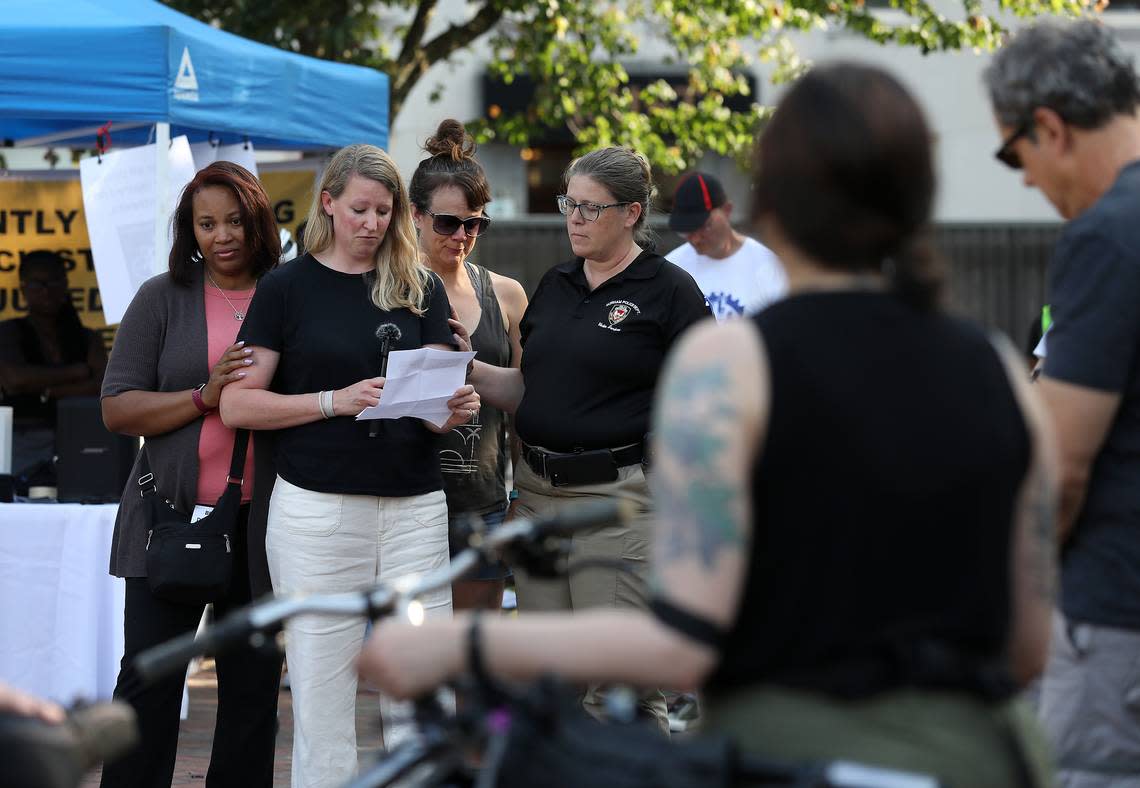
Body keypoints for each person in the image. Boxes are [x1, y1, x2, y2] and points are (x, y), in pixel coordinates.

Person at [359, 63, 1059, 787]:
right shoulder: (998, 368)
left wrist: (461, 646)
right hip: (978, 757)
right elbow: (1029, 645)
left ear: (768, 207)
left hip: (788, 751)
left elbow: (683, 641)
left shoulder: (732, 368)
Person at [219, 143, 479, 788]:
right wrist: (330, 402)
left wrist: (451, 409)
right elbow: (237, 404)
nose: (371, 223)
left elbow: (434, 397)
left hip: (415, 506)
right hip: (318, 510)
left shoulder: (418, 284)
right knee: (321, 687)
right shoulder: (286, 287)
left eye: (385, 212)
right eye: (359, 208)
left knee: (422, 689)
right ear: (328, 203)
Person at [444, 145, 710, 729]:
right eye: (570, 204)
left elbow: (706, 402)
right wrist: (466, 368)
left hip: (617, 504)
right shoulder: (558, 282)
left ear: (633, 212)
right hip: (540, 499)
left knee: (619, 696)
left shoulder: (669, 290)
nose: (575, 219)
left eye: (592, 209)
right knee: (552, 692)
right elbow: (532, 391)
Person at [986, 20, 1140, 786]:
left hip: (1116, 619)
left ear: (1049, 128)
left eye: (1016, 156)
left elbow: (1066, 468)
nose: (1023, 180)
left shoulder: (1107, 236)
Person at [98, 161, 284, 788]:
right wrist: (204, 397)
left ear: (258, 219)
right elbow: (117, 407)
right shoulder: (161, 297)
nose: (223, 235)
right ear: (189, 230)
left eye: (234, 220)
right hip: (170, 517)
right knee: (149, 681)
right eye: (206, 223)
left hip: (262, 526)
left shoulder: (288, 293)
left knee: (252, 693)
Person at [409, 119, 528, 612]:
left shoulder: (505, 294)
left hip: (481, 502)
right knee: (409, 671)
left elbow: (525, 405)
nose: (463, 235)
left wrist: (523, 493)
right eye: (448, 222)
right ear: (415, 215)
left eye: (476, 223)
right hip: (404, 503)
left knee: (472, 665)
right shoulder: (384, 291)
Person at [0, 250, 107, 483]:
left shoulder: (87, 337)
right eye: (38, 283)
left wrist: (50, 391)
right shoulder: (9, 331)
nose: (47, 290)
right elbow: (14, 379)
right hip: (24, 438)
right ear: (24, 288)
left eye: (54, 281)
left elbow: (104, 386)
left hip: (81, 438)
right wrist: (78, 372)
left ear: (65, 284)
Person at [665, 172, 785, 320]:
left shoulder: (769, 267)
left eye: (705, 226)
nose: (695, 239)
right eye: (686, 231)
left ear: (727, 210)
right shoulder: (671, 267)